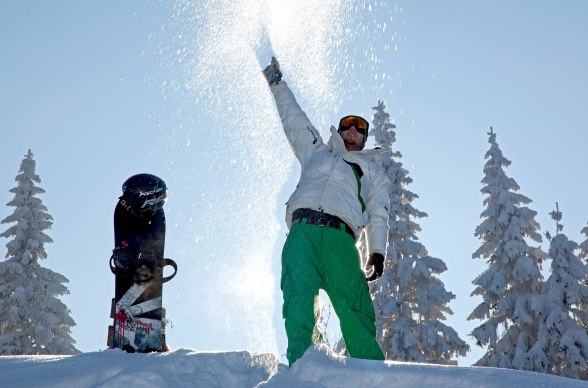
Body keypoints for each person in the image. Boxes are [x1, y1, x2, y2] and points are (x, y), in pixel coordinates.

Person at [263, 57, 390, 366]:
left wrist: (376, 252)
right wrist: (277, 83)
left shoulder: (371, 172)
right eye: (346, 125)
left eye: (359, 128)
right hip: (302, 231)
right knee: (297, 297)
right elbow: (295, 120)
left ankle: (371, 373)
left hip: (340, 239)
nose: (351, 130)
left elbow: (378, 213)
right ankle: (305, 365)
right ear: (339, 131)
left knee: (354, 306)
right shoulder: (317, 151)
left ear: (364, 139)